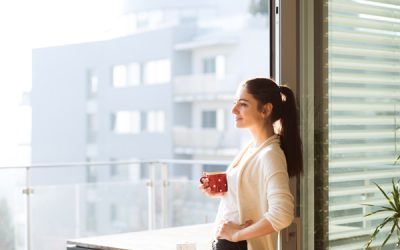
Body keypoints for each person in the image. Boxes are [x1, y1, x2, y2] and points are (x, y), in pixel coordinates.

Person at [199, 77, 303, 250]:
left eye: (243, 104)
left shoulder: (270, 155)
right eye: (235, 103)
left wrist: (236, 234)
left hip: (239, 245)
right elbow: (251, 188)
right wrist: (226, 188)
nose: (234, 110)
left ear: (265, 110)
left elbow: (282, 214)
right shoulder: (252, 147)